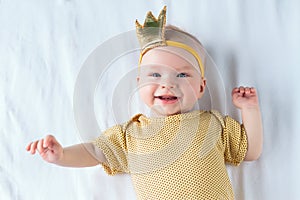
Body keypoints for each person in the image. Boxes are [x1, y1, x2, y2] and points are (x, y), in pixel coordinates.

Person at [26, 6, 263, 200]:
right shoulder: (131, 135)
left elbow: (250, 151)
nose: (168, 84)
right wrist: (62, 155)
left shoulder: (213, 124)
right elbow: (96, 152)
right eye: (155, 75)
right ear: (139, 83)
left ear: (201, 87)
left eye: (182, 75)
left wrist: (249, 110)